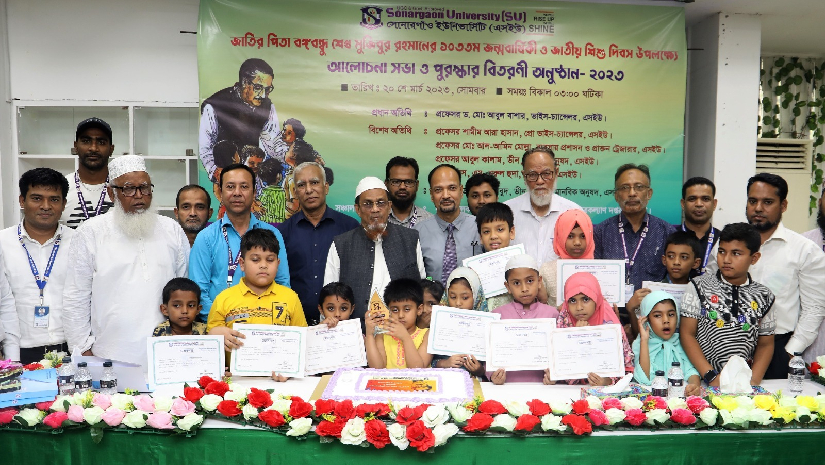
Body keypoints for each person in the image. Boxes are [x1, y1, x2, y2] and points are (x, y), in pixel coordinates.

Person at [62, 155, 189, 366]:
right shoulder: (91, 232)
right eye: (129, 189)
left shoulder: (171, 229)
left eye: (144, 188)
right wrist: (83, 351)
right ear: (111, 193)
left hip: (166, 353)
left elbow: (185, 287)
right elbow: (75, 297)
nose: (139, 196)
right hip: (108, 356)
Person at [741, 173, 825, 379]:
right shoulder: (728, 244)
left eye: (767, 202)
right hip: (728, 344)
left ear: (783, 205)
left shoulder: (804, 250)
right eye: (753, 201)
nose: (758, 208)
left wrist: (790, 352)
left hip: (777, 348)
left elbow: (814, 308)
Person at [190, 164, 290, 322]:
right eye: (230, 187)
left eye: (244, 186)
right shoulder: (206, 237)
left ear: (254, 192)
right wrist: (221, 322)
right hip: (219, 328)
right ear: (221, 192)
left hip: (265, 326)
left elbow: (282, 284)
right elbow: (198, 290)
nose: (237, 193)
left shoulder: (273, 234)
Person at [680, 223, 776, 386]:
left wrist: (753, 381)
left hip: (743, 384)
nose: (726, 259)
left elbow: (765, 344)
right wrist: (711, 376)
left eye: (736, 253)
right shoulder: (698, 286)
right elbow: (687, 334)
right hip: (702, 381)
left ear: (754, 258)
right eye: (722, 251)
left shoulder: (764, 296)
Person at [207, 229, 306, 381]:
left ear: (278, 263)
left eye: (270, 260)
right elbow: (210, 345)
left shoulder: (290, 298)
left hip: (280, 381)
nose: (263, 265)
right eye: (255, 260)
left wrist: (290, 370)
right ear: (242, 264)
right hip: (236, 382)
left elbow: (302, 342)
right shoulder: (223, 299)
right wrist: (215, 334)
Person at [0, 168, 74, 364]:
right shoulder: (2, 243)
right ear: (22, 201)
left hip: (70, 350)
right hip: (17, 352)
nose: (46, 206)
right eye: (37, 198)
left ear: (64, 204)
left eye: (54, 199)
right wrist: (11, 359)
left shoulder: (78, 242)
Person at [324, 176, 425, 319]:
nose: (375, 209)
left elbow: (421, 287)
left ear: (389, 206)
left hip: (402, 329)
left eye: (380, 203)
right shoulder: (342, 244)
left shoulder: (410, 239)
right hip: (358, 329)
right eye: (368, 204)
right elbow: (329, 295)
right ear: (358, 209)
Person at [278, 162, 359, 324]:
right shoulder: (283, 232)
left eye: (314, 182)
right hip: (297, 323)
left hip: (340, 325)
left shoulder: (349, 227)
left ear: (326, 187)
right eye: (301, 185)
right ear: (296, 192)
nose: (309, 190)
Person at [594, 164, 674, 317]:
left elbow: (673, 279)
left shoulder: (666, 231)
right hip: (610, 317)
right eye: (625, 188)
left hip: (653, 319)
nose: (632, 193)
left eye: (639, 187)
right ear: (616, 195)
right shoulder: (602, 232)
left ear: (649, 193)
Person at [199, 58, 286, 182]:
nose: (263, 95)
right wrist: (216, 172)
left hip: (253, 176)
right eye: (258, 87)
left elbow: (273, 142)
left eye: (267, 89)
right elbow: (205, 148)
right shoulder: (214, 105)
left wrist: (288, 157)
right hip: (226, 176)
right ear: (245, 83)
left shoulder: (268, 106)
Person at [553, 272, 634, 386]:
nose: (579, 307)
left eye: (585, 299)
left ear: (597, 299)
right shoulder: (564, 321)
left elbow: (625, 368)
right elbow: (559, 367)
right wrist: (576, 337)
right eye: (572, 301)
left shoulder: (608, 322)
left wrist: (608, 381)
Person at [489, 254, 559, 385]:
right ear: (508, 287)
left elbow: (560, 354)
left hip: (544, 387)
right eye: (516, 283)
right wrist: (493, 375)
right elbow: (488, 356)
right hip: (505, 387)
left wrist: (555, 376)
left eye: (530, 281)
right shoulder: (497, 316)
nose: (524, 288)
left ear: (539, 282)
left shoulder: (552, 314)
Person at [504, 146, 581, 265]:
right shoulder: (507, 212)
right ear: (524, 176)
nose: (540, 181)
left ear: (556, 173)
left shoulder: (574, 212)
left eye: (546, 173)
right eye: (532, 175)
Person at [626, 231, 702, 339]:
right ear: (664, 260)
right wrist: (631, 310)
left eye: (684, 257)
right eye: (671, 256)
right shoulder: (652, 292)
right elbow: (640, 335)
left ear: (696, 263)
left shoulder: (700, 293)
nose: (676, 262)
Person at [415, 164, 480, 284]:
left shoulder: (479, 227)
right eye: (438, 190)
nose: (445, 196)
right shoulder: (417, 232)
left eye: (452, 188)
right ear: (431, 195)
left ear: (461, 191)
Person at [632, 291, 700, 396]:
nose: (666, 320)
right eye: (658, 316)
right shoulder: (640, 344)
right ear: (647, 320)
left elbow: (690, 371)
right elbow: (644, 379)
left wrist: (694, 386)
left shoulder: (681, 341)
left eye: (671, 314)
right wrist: (644, 340)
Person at [365, 278, 432, 369]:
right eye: (395, 310)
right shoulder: (382, 336)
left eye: (407, 309)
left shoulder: (427, 335)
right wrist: (369, 334)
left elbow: (417, 368)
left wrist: (405, 337)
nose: (400, 315)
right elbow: (377, 368)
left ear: (419, 309)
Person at [61, 118, 115, 229]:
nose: (93, 148)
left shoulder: (123, 188)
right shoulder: (61, 187)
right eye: (86, 141)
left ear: (111, 149)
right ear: (76, 146)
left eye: (101, 142)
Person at [433, 267, 486, 376]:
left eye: (465, 298)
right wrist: (445, 363)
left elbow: (491, 367)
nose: (458, 303)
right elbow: (430, 361)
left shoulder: (487, 324)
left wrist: (479, 369)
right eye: (453, 297)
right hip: (444, 378)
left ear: (476, 297)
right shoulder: (439, 322)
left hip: (474, 382)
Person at [538, 209, 595, 308]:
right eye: (570, 236)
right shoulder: (547, 270)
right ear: (560, 237)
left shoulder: (600, 270)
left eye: (583, 236)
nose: (577, 242)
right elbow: (541, 308)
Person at [474, 202, 518, 310]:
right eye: (486, 231)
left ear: (511, 232)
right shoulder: (473, 270)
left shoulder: (524, 265)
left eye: (500, 229)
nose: (493, 236)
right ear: (480, 237)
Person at [679, 177, 720, 275]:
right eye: (692, 199)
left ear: (714, 204)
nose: (699, 204)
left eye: (705, 199)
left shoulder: (723, 240)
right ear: (683, 204)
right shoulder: (669, 235)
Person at [385, 156, 433, 228]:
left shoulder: (430, 221)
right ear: (386, 184)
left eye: (408, 182)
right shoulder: (376, 218)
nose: (402, 187)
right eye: (396, 182)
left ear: (417, 185)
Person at [257, 158, 286, 223]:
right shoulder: (282, 192)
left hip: (265, 223)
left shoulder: (264, 192)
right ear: (278, 176)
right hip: (279, 223)